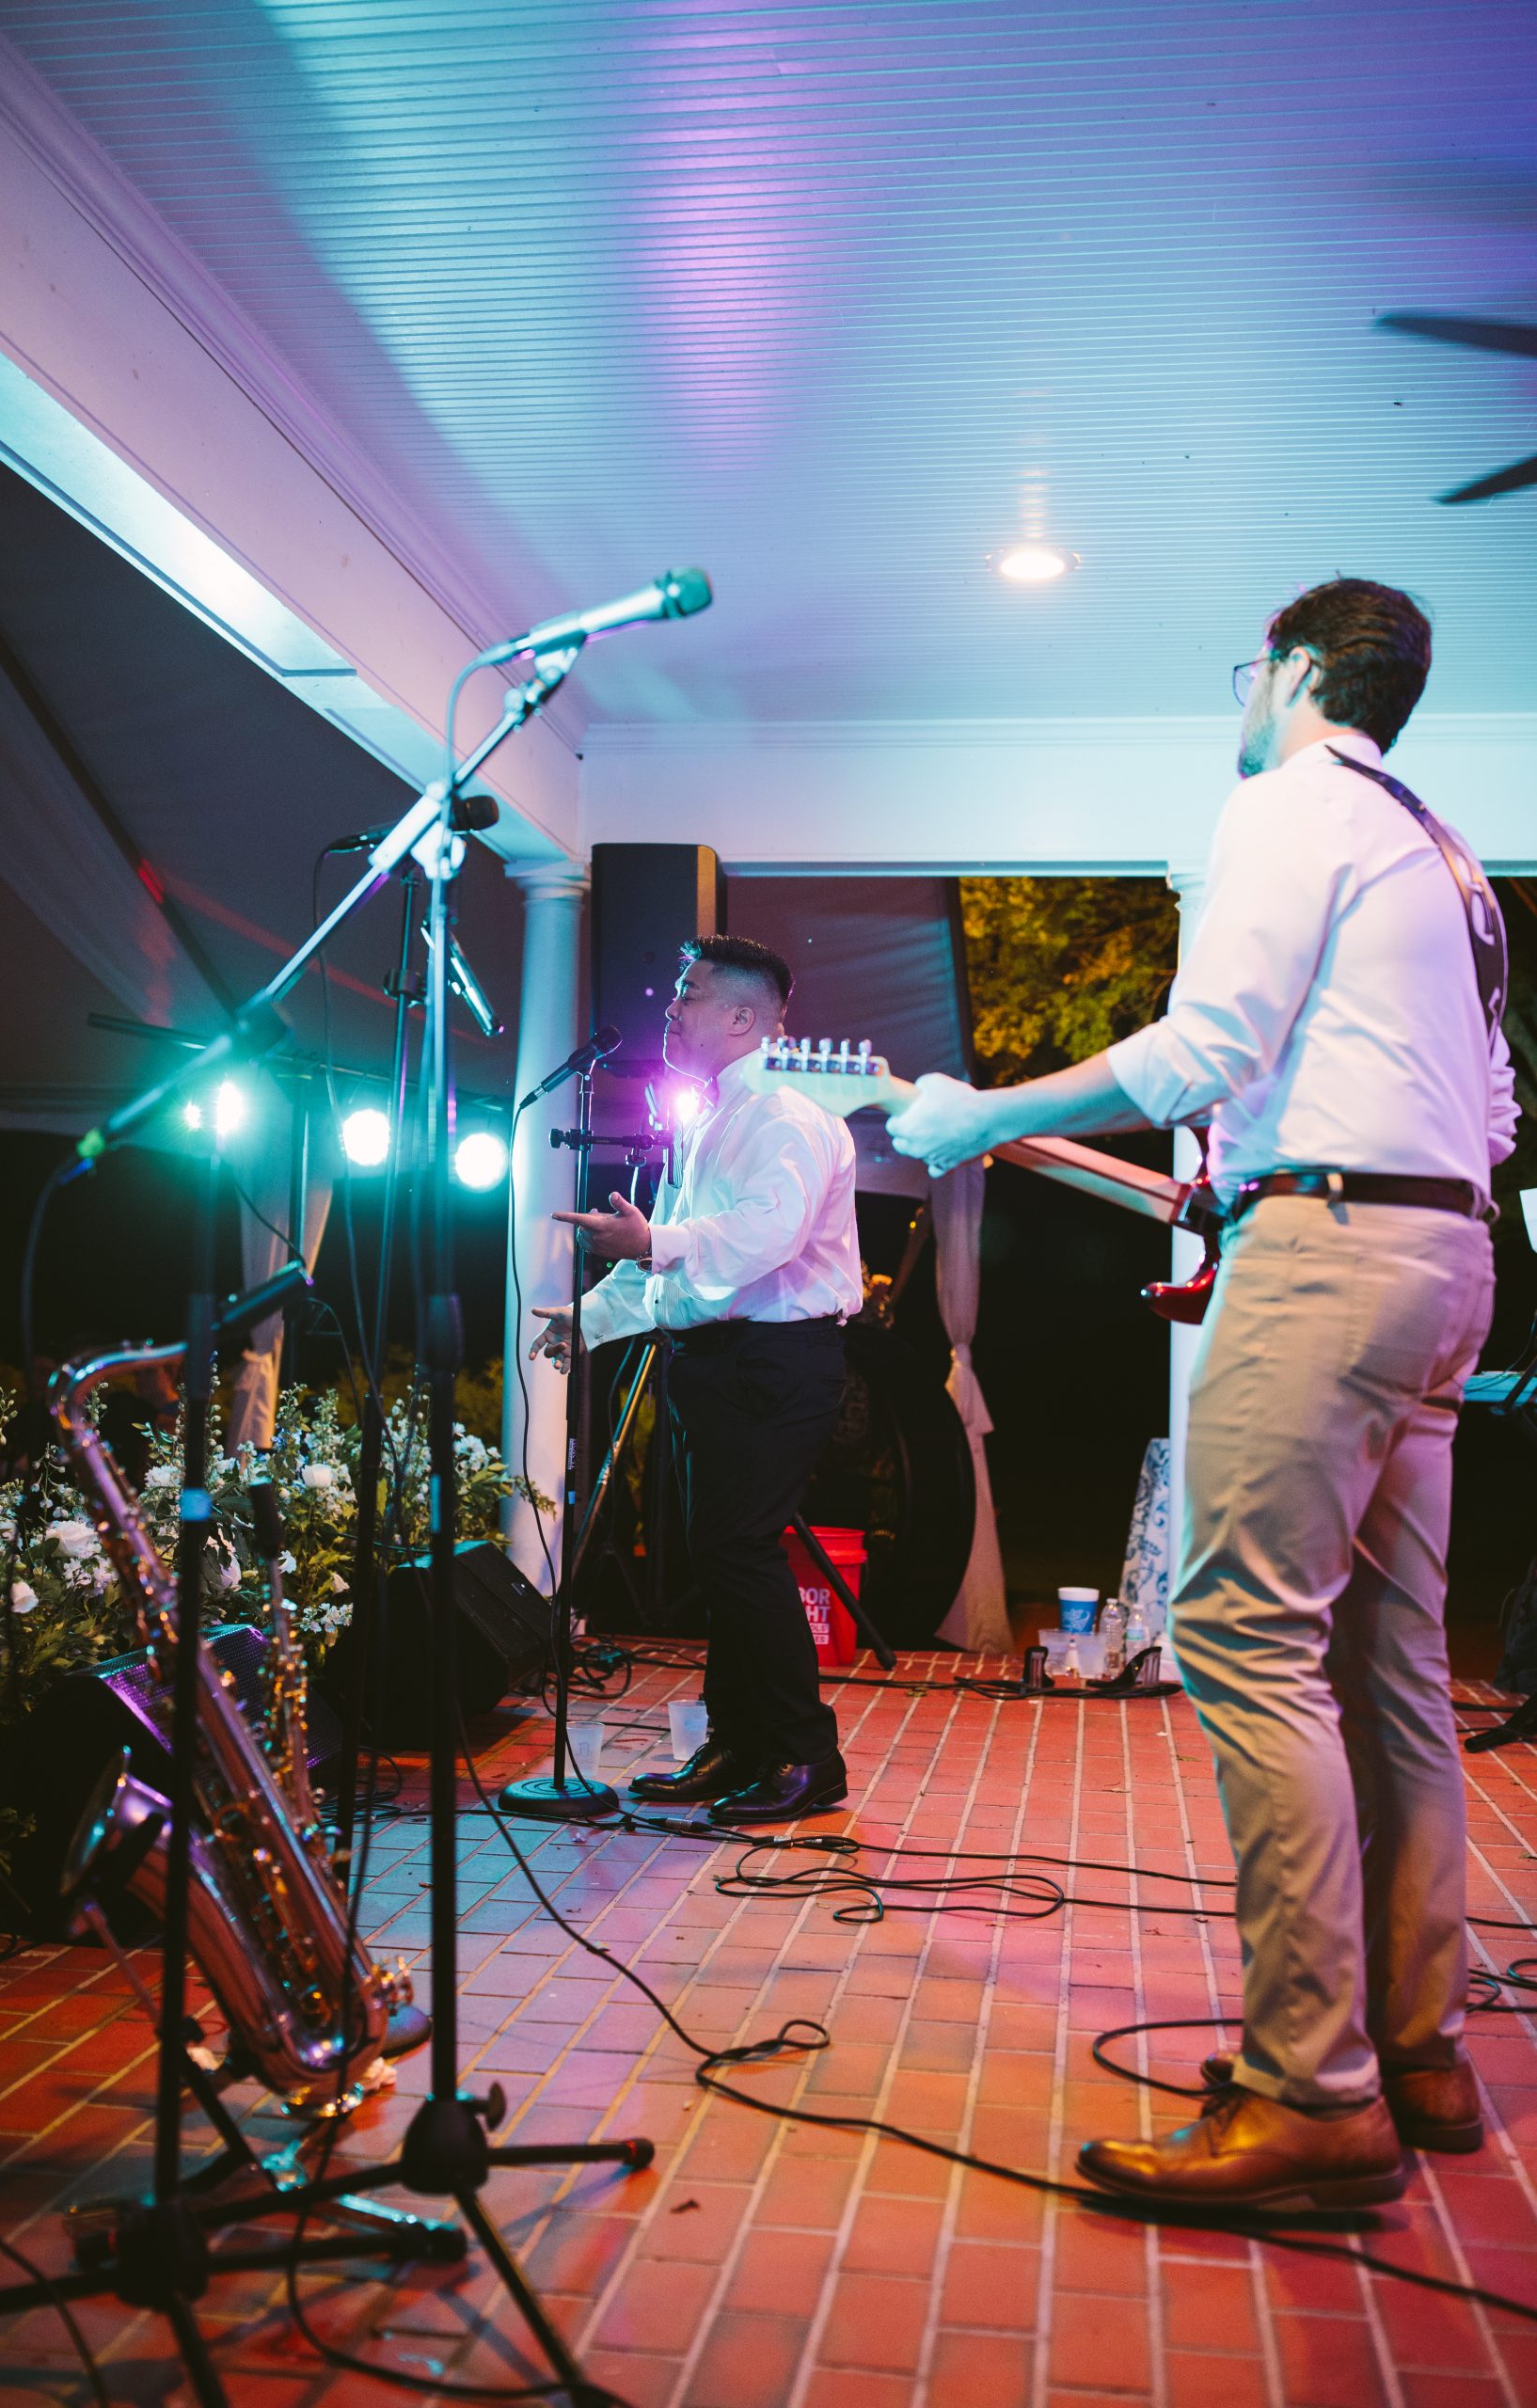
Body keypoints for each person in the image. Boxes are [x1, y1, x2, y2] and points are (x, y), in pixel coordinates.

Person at [887, 578, 1517, 2209]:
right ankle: (1417, 2049)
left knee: (1244, 1638)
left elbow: (1202, 1047)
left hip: (1335, 1254)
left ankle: (1313, 2092)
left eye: (1251, 667)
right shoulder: (1446, 857)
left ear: (1295, 670)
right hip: (1438, 1256)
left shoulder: (1291, 802)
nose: (1241, 696)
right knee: (1390, 1666)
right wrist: (1259, 1220)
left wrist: (973, 1118)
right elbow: (1488, 1110)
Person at [530, 933, 862, 1821]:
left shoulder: (787, 1115)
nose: (670, 1008)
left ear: (743, 1017)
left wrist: (655, 1240)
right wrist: (590, 1319)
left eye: (689, 993)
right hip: (718, 1363)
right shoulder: (707, 1117)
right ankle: (739, 1743)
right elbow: (665, 1257)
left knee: (741, 1553)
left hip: (775, 1361)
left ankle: (804, 1755)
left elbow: (765, 1236)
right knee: (720, 1559)